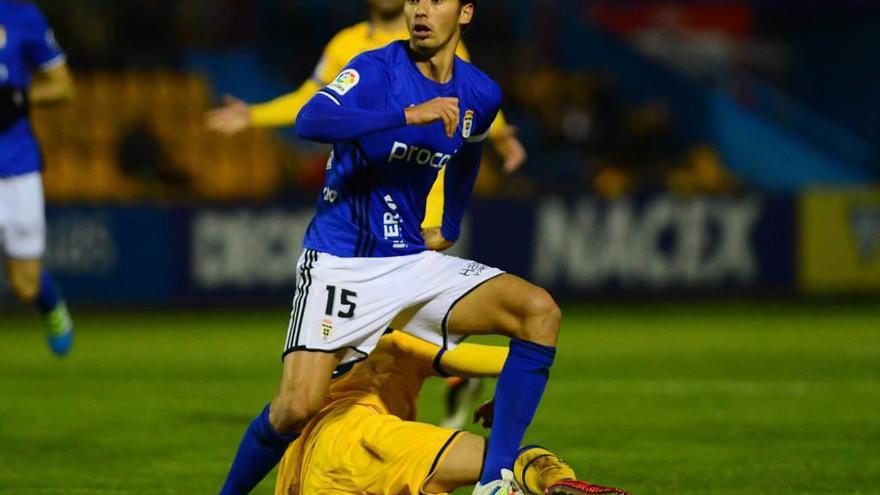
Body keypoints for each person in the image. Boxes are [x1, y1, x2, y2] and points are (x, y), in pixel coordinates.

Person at [217, 1, 561, 494]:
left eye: (435, 1)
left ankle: (495, 478)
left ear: (464, 13)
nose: (420, 10)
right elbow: (310, 121)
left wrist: (451, 221)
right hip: (342, 263)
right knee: (296, 407)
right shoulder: (375, 68)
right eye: (414, 0)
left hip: (411, 261)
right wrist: (408, 114)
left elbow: (470, 148)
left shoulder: (480, 92)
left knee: (538, 311)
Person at [273, 331, 630, 495]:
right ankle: (558, 483)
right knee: (516, 460)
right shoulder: (401, 336)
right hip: (365, 439)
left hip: (302, 457)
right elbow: (521, 361)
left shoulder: (322, 334)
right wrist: (509, 395)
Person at [0, 0, 75, 355]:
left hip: (16, 166)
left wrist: (19, 98)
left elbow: (62, 85)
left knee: (25, 285)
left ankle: (51, 304)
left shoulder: (21, 15)